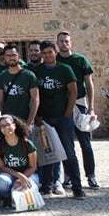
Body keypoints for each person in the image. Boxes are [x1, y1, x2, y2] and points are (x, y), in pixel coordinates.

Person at [33, 40, 85, 199]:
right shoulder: (37, 71)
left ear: (55, 52)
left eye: (50, 52)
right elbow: (35, 95)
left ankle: (77, 187)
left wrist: (67, 113)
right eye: (45, 53)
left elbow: (73, 92)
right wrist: (37, 116)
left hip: (62, 118)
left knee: (68, 152)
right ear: (41, 54)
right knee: (47, 152)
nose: (48, 55)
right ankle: (47, 186)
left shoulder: (65, 69)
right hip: (45, 119)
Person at [57, 30, 100, 188]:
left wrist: (91, 108)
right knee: (66, 144)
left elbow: (89, 84)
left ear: (71, 42)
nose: (64, 43)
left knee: (86, 143)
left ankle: (91, 176)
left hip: (81, 105)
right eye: (61, 41)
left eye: (66, 41)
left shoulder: (80, 60)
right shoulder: (54, 61)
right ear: (57, 43)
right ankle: (68, 175)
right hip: (62, 107)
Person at [0, 114, 39, 209]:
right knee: (0, 182)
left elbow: (33, 167)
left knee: (34, 182)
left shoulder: (27, 144)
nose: (6, 128)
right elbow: (2, 167)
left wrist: (21, 178)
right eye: (2, 126)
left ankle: (22, 199)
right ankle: (7, 197)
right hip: (10, 174)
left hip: (28, 174)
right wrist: (18, 176)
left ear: (14, 125)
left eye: (8, 124)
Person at [0, 44, 40, 126]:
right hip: (8, 122)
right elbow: (0, 101)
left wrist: (29, 123)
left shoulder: (29, 75)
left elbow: (35, 100)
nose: (11, 58)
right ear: (4, 58)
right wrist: (0, 118)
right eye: (8, 55)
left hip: (24, 120)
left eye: (13, 55)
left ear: (18, 56)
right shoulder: (2, 76)